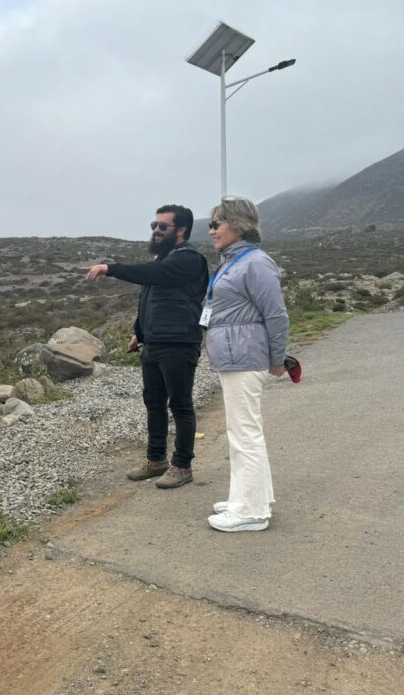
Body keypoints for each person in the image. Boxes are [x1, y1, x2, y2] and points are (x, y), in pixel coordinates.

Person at [85, 204, 209, 489]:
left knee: (180, 404)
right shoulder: (162, 263)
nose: (156, 230)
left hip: (179, 342)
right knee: (153, 403)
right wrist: (139, 333)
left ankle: (182, 465)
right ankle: (156, 460)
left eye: (162, 226)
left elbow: (150, 277)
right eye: (154, 225)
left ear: (181, 230)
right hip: (153, 343)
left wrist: (109, 268)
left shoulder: (189, 259)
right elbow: (149, 300)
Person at [202, 196, 289, 533]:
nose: (211, 231)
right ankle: (249, 497)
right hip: (234, 355)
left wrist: (277, 359)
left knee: (245, 433)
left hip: (244, 356)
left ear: (238, 225)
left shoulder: (255, 263)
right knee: (241, 430)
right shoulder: (234, 261)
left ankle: (251, 513)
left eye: (216, 224)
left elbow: (276, 314)